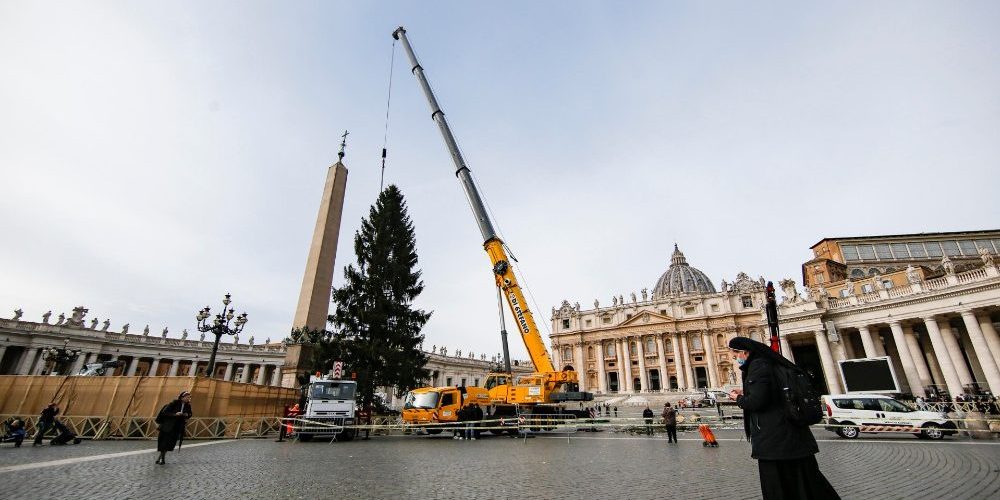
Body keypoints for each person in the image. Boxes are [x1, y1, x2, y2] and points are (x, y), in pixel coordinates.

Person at [728, 337, 839, 500]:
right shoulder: (771, 363)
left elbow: (757, 402)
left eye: (735, 354)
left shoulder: (758, 366)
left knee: (778, 485)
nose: (734, 358)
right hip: (791, 437)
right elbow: (772, 392)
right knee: (806, 481)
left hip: (774, 439)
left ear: (744, 352)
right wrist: (748, 392)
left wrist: (738, 398)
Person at [155, 391, 192, 465]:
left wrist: (187, 414)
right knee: (164, 443)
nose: (188, 399)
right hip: (168, 426)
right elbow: (165, 413)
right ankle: (162, 459)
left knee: (169, 444)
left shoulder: (188, 405)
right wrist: (175, 414)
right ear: (182, 397)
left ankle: (159, 458)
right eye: (187, 397)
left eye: (189, 397)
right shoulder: (174, 403)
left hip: (177, 427)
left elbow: (190, 414)